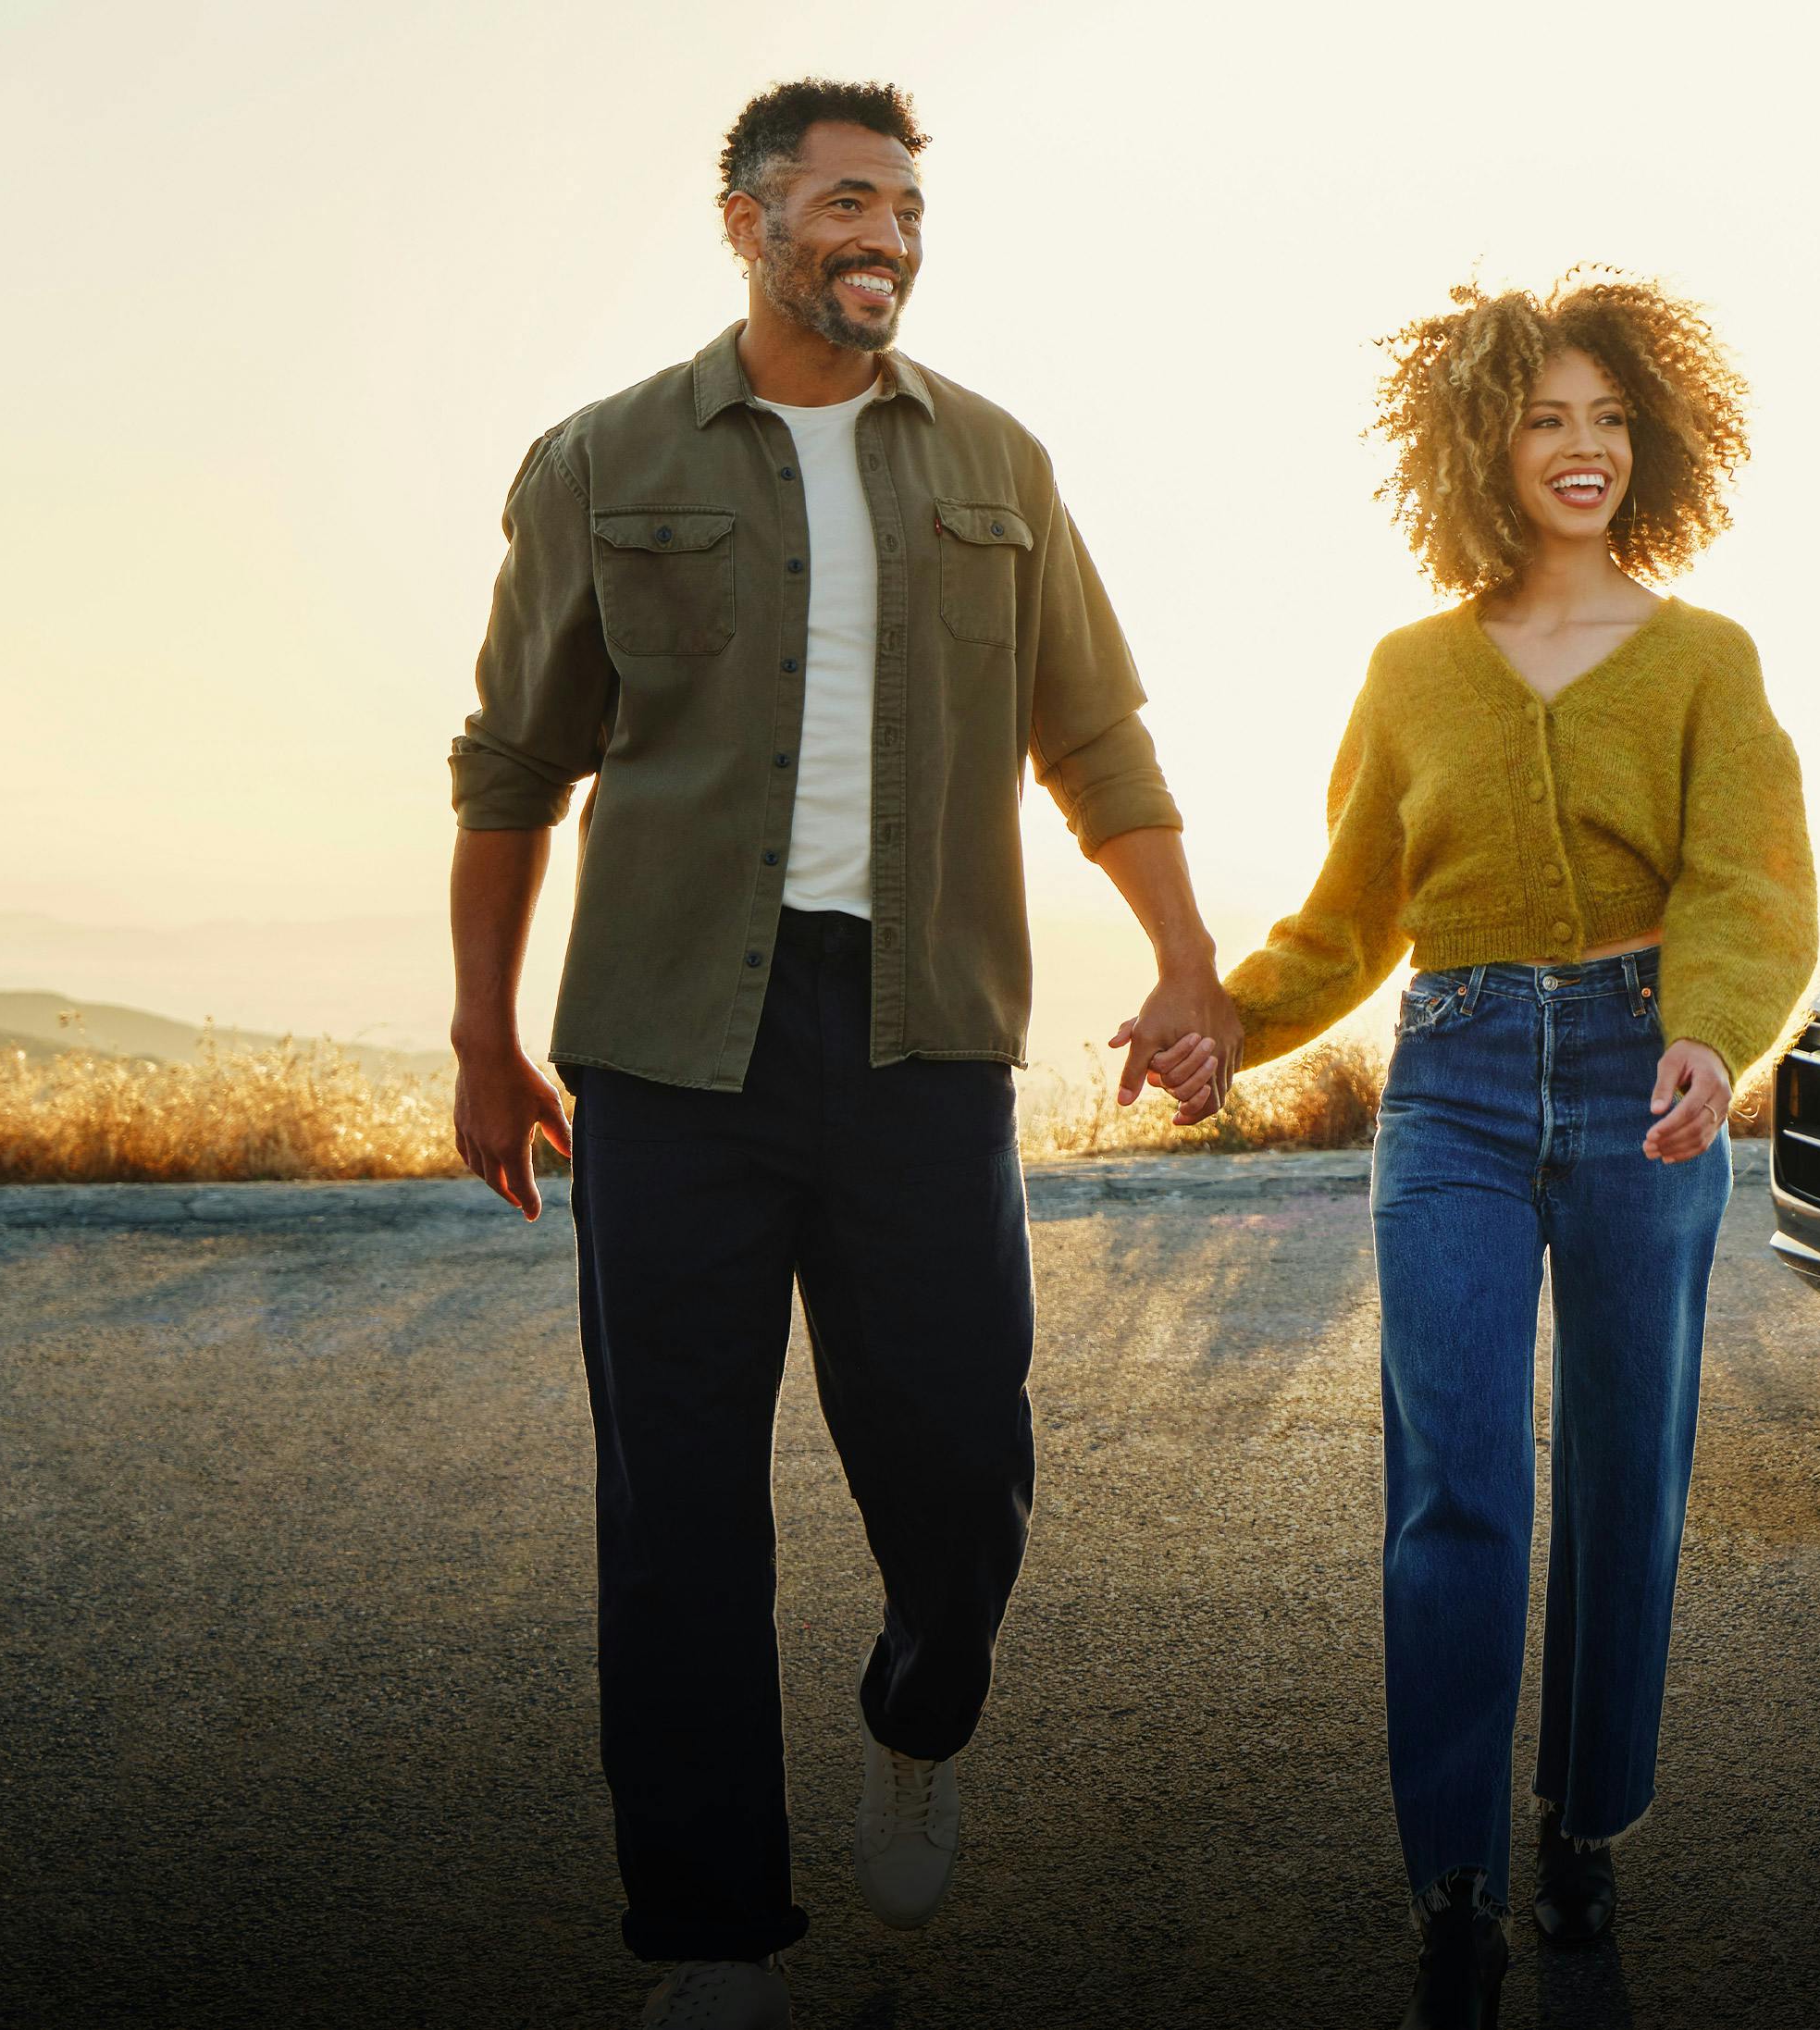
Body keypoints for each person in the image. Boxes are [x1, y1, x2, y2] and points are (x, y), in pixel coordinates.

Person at [442, 78, 1241, 2030]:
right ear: (748, 222)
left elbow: (1096, 736)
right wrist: (481, 1031)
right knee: (678, 1500)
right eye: (845, 203)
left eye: (903, 208)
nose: (884, 235)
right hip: (667, 1048)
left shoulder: (996, 461)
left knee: (963, 1449)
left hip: (920, 1032)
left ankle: (920, 1708)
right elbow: (513, 765)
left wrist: (1184, 958)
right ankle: (713, 1934)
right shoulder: (600, 459)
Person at [1153, 273, 1810, 2028]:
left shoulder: (1708, 660)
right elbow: (1348, 914)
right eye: (1545, 420)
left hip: (1644, 1074)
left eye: (1609, 419)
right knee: (1455, 1475)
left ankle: (1583, 1819)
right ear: (1480, 447)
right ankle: (1450, 1877)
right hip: (1449, 1080)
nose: (1583, 449)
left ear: (1649, 441)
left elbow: (1751, 886)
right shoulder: (1411, 674)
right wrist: (1225, 1019)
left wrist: (1709, 1033)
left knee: (1623, 1467)